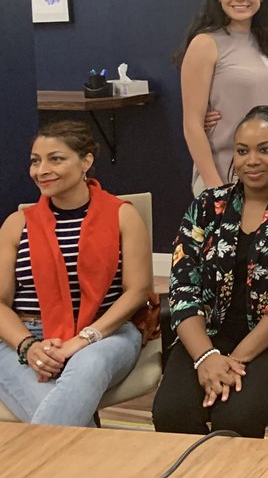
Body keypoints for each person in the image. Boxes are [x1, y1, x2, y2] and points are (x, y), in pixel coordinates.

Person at [153, 106, 268, 438]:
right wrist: (207, 356)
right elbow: (182, 290)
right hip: (210, 334)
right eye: (242, 151)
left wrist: (231, 361)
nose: (252, 160)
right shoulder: (207, 206)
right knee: (171, 411)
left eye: (265, 149)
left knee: (236, 415)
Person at [0, 121, 153, 426]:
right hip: (24, 336)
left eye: (55, 158)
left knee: (89, 364)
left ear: (86, 161)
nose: (41, 170)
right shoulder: (17, 224)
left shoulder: (123, 214)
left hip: (106, 334)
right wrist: (28, 346)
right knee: (61, 416)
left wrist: (83, 339)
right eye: (35, 160)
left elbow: (137, 291)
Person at [177, 0, 268, 196]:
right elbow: (192, 125)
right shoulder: (205, 43)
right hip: (224, 173)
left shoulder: (266, 42)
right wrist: (215, 187)